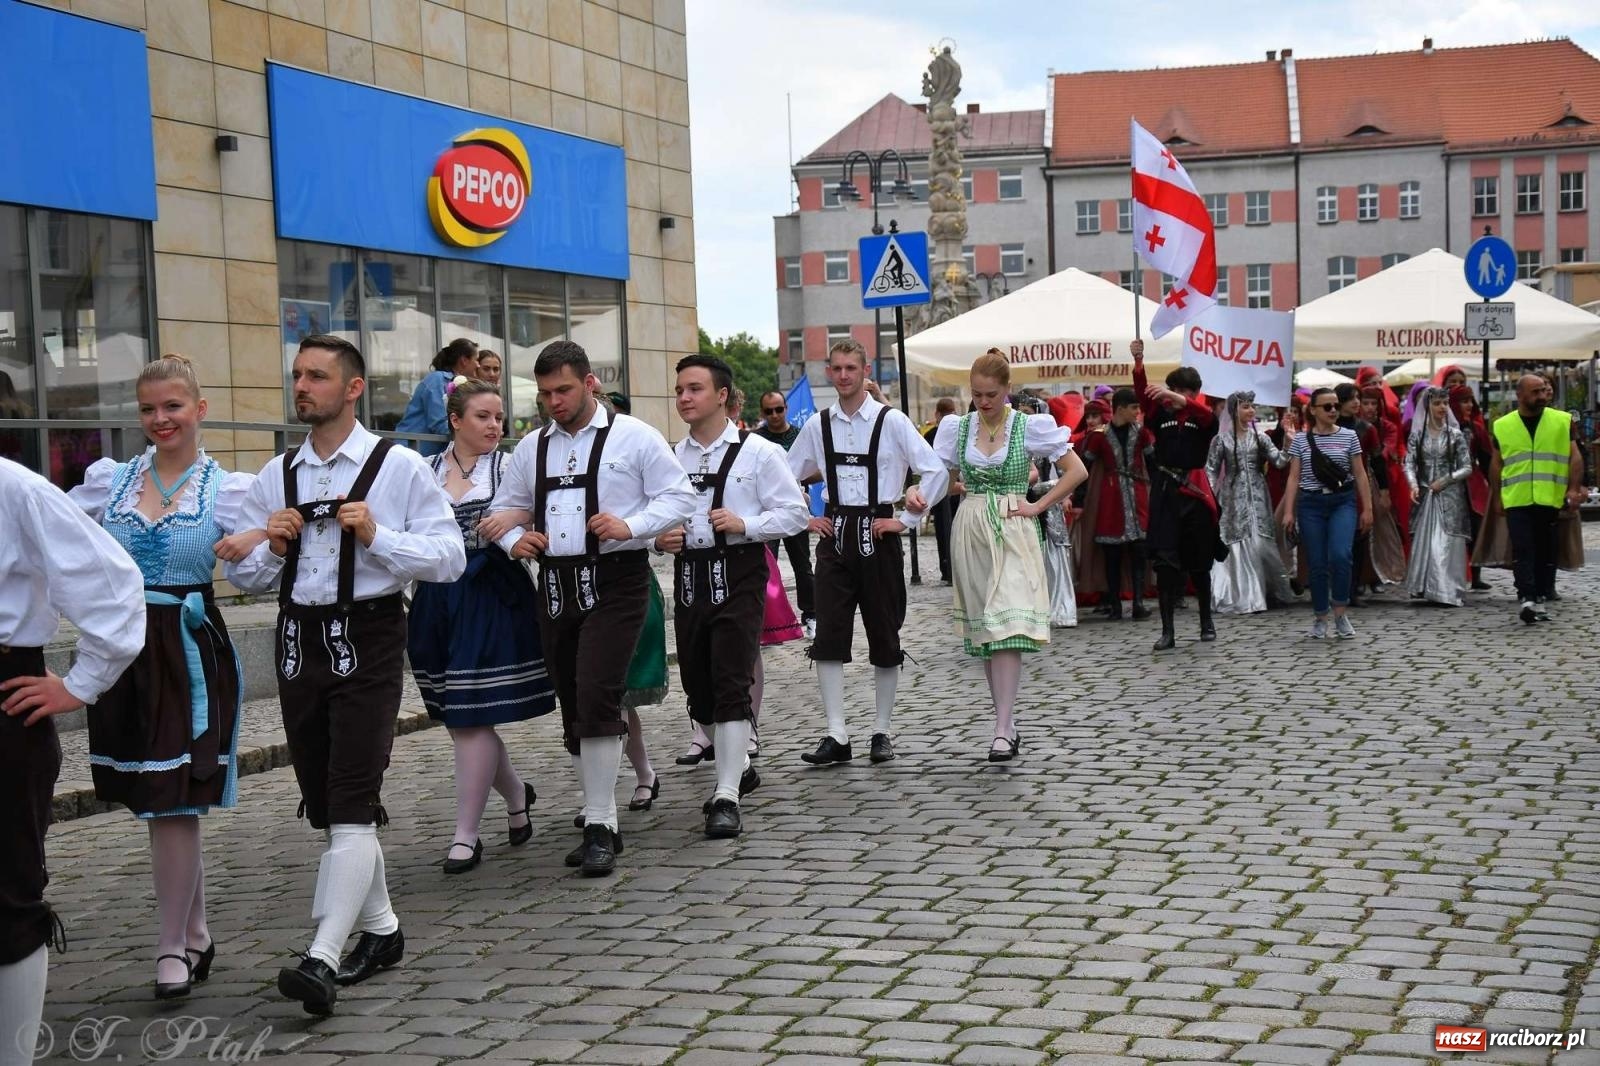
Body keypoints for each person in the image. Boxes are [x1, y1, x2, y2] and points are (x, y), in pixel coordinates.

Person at [226, 335, 467, 1015]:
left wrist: (378, 537)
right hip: (299, 643)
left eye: (317, 376)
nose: (301, 386)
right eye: (297, 375)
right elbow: (247, 575)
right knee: (330, 806)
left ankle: (322, 956)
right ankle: (383, 930)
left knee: (354, 794)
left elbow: (449, 557)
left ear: (353, 388)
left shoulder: (398, 468)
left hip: (370, 636)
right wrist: (268, 545)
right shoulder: (278, 473)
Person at [66, 354, 262, 998]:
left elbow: (268, 563)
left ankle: (171, 946)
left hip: (187, 649)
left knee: (175, 802)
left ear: (199, 410)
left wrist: (256, 537)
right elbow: (62, 536)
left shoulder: (228, 489)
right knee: (161, 802)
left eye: (172, 406)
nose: (160, 419)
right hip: (125, 649)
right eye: (149, 409)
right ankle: (197, 933)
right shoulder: (110, 481)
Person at [487, 341, 696, 876]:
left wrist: (633, 525)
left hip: (616, 580)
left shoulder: (635, 437)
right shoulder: (531, 447)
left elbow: (678, 497)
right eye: (545, 393)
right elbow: (500, 511)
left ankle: (602, 823)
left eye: (563, 390)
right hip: (555, 583)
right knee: (573, 698)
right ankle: (596, 805)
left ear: (589, 383)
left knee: (600, 687)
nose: (554, 402)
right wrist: (516, 541)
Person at [0, 460, 143, 1063]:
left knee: (8, 888)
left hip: (5, 694)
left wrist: (81, 684)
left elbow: (112, 584)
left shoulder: (14, 488)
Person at [405, 377, 552, 876]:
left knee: (470, 714)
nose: (495, 426)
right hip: (437, 597)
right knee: (461, 717)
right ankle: (516, 795)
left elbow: (539, 513)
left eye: (498, 418)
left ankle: (465, 835)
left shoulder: (508, 467)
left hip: (492, 595)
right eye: (483, 417)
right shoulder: (423, 471)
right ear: (455, 421)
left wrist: (517, 531)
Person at [657, 355, 808, 836]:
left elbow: (796, 514)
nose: (684, 397)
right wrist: (660, 538)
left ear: (721, 395)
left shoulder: (759, 453)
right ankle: (740, 763)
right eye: (680, 389)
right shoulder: (669, 458)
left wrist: (747, 524)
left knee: (731, 678)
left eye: (694, 388)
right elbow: (647, 517)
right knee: (698, 688)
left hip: (740, 574)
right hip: (689, 578)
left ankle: (725, 795)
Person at [787, 340, 947, 766]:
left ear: (865, 370)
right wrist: (804, 518)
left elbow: (936, 472)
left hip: (879, 535)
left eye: (851, 368)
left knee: (884, 633)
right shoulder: (818, 425)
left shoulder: (891, 421)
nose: (843, 375)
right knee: (827, 637)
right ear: (828, 371)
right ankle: (836, 732)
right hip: (835, 538)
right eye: (836, 368)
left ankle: (881, 729)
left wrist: (906, 521)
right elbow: (783, 479)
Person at [932, 351, 1086, 760]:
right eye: (977, 394)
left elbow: (1077, 471)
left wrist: (1038, 505)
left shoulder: (1030, 426)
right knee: (988, 628)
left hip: (1014, 527)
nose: (983, 402)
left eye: (991, 394)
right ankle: (1006, 722)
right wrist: (920, 500)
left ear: (1008, 391)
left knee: (1008, 620)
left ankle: (1001, 727)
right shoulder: (957, 428)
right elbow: (943, 482)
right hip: (971, 527)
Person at [1130, 340, 1221, 650]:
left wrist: (1175, 396)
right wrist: (1139, 364)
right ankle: (1167, 630)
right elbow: (1143, 395)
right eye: (1173, 391)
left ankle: (1206, 620)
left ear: (1194, 393)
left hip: (1195, 495)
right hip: (1167, 494)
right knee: (1166, 564)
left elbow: (1206, 413)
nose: (1176, 398)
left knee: (1200, 562)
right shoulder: (1161, 415)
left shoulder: (1203, 418)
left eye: (1183, 392)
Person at [1488, 374, 1584, 623]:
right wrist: (1496, 496)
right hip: (1516, 498)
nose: (1542, 396)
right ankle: (1527, 597)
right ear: (1520, 395)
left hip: (1549, 497)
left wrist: (1573, 488)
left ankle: (1540, 595)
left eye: (1543, 390)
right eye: (1536, 392)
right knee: (1523, 548)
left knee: (1544, 550)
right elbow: (1496, 464)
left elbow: (1575, 457)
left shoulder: (1562, 421)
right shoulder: (1503, 425)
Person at [1281, 387, 1373, 638]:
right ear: (1313, 410)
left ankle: (1341, 612)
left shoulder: (1349, 436)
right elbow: (1294, 477)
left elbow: (1360, 473)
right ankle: (1320, 616)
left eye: (1335, 405)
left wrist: (1368, 509)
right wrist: (1288, 512)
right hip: (1311, 503)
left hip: (1343, 501)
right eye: (1327, 406)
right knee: (1317, 562)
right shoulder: (1301, 440)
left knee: (1341, 555)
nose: (1333, 410)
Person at [1205, 390, 1293, 614]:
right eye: (1246, 407)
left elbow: (1280, 462)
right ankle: (1241, 594)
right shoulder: (1221, 440)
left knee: (1259, 541)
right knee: (1234, 539)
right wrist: (1209, 496)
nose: (1251, 410)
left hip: (1257, 495)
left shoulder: (1260, 437)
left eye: (1252, 406)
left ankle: (1266, 590)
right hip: (1232, 496)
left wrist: (1288, 443)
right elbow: (1211, 470)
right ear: (1234, 410)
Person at [1076, 387, 1151, 621]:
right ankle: (1115, 604)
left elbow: (1153, 463)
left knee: (1139, 550)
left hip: (1136, 496)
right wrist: (1078, 500)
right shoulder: (1098, 436)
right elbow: (1083, 469)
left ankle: (1138, 601)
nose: (1138, 412)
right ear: (1120, 409)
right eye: (1134, 408)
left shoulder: (1141, 434)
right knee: (1112, 554)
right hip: (1109, 499)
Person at [752, 388, 816, 637]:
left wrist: (793, 478)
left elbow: (818, 468)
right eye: (769, 411)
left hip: (796, 509)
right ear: (763, 413)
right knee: (767, 565)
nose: (775, 415)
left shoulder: (799, 436)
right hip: (766, 512)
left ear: (786, 409)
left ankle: (811, 615)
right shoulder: (756, 440)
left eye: (779, 409)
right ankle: (766, 619)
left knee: (803, 564)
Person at [1403, 386, 1473, 607]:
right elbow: (1409, 463)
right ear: (1428, 406)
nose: (1442, 407)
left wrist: (1444, 481)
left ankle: (1447, 588)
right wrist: (1413, 485)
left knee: (1446, 542)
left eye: (1445, 403)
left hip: (1449, 496)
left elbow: (1467, 467)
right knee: (1426, 541)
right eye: (1437, 403)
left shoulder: (1455, 435)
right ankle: (1424, 585)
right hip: (1425, 495)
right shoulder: (1417, 435)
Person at [1335, 382, 1389, 604]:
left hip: (1359, 487)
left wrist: (1384, 491)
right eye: (1351, 398)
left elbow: (1377, 460)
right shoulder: (1328, 427)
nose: (1356, 403)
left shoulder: (1367, 429)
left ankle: (1354, 587)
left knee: (1358, 540)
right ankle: (1337, 588)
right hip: (1332, 486)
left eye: (1358, 398)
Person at [395, 338, 480, 456]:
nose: (478, 365)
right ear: (464, 360)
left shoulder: (457, 383)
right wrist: (473, 434)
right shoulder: (437, 380)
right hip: (411, 452)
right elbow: (439, 422)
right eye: (476, 360)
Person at [1449, 386, 1494, 591]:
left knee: (1475, 528)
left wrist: (1493, 483)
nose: (1468, 405)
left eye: (1470, 401)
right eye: (1463, 401)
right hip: (1449, 481)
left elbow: (1486, 459)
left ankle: (1475, 574)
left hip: (1472, 483)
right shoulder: (1443, 427)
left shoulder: (1476, 429)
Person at [922, 397, 960, 584]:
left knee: (944, 530)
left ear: (937, 414)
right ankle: (952, 569)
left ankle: (947, 569)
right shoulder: (959, 430)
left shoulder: (930, 435)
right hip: (954, 488)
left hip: (941, 487)